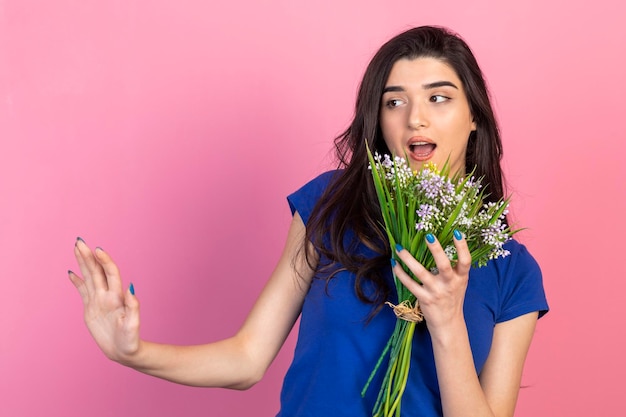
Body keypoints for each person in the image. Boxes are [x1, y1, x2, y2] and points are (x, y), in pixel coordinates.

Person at [69, 26, 549, 417]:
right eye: (394, 101)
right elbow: (247, 358)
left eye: (438, 98)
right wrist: (130, 352)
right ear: (378, 120)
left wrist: (446, 324)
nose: (415, 119)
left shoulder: (513, 269)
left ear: (474, 119)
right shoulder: (332, 202)